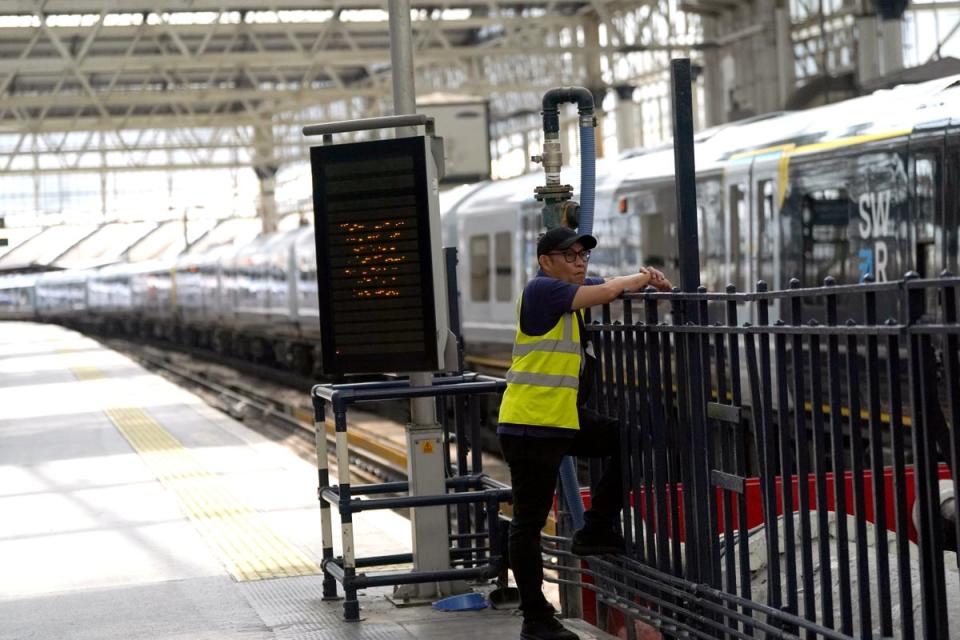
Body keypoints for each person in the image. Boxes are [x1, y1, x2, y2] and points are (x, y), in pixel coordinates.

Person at [498, 226, 672, 640]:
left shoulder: (570, 293)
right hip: (530, 425)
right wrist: (641, 277)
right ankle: (536, 619)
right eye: (570, 255)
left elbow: (609, 288)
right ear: (546, 262)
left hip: (560, 421)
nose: (579, 262)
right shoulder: (543, 290)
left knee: (633, 440)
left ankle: (595, 527)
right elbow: (609, 291)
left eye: (583, 256)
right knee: (528, 520)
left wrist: (654, 286)